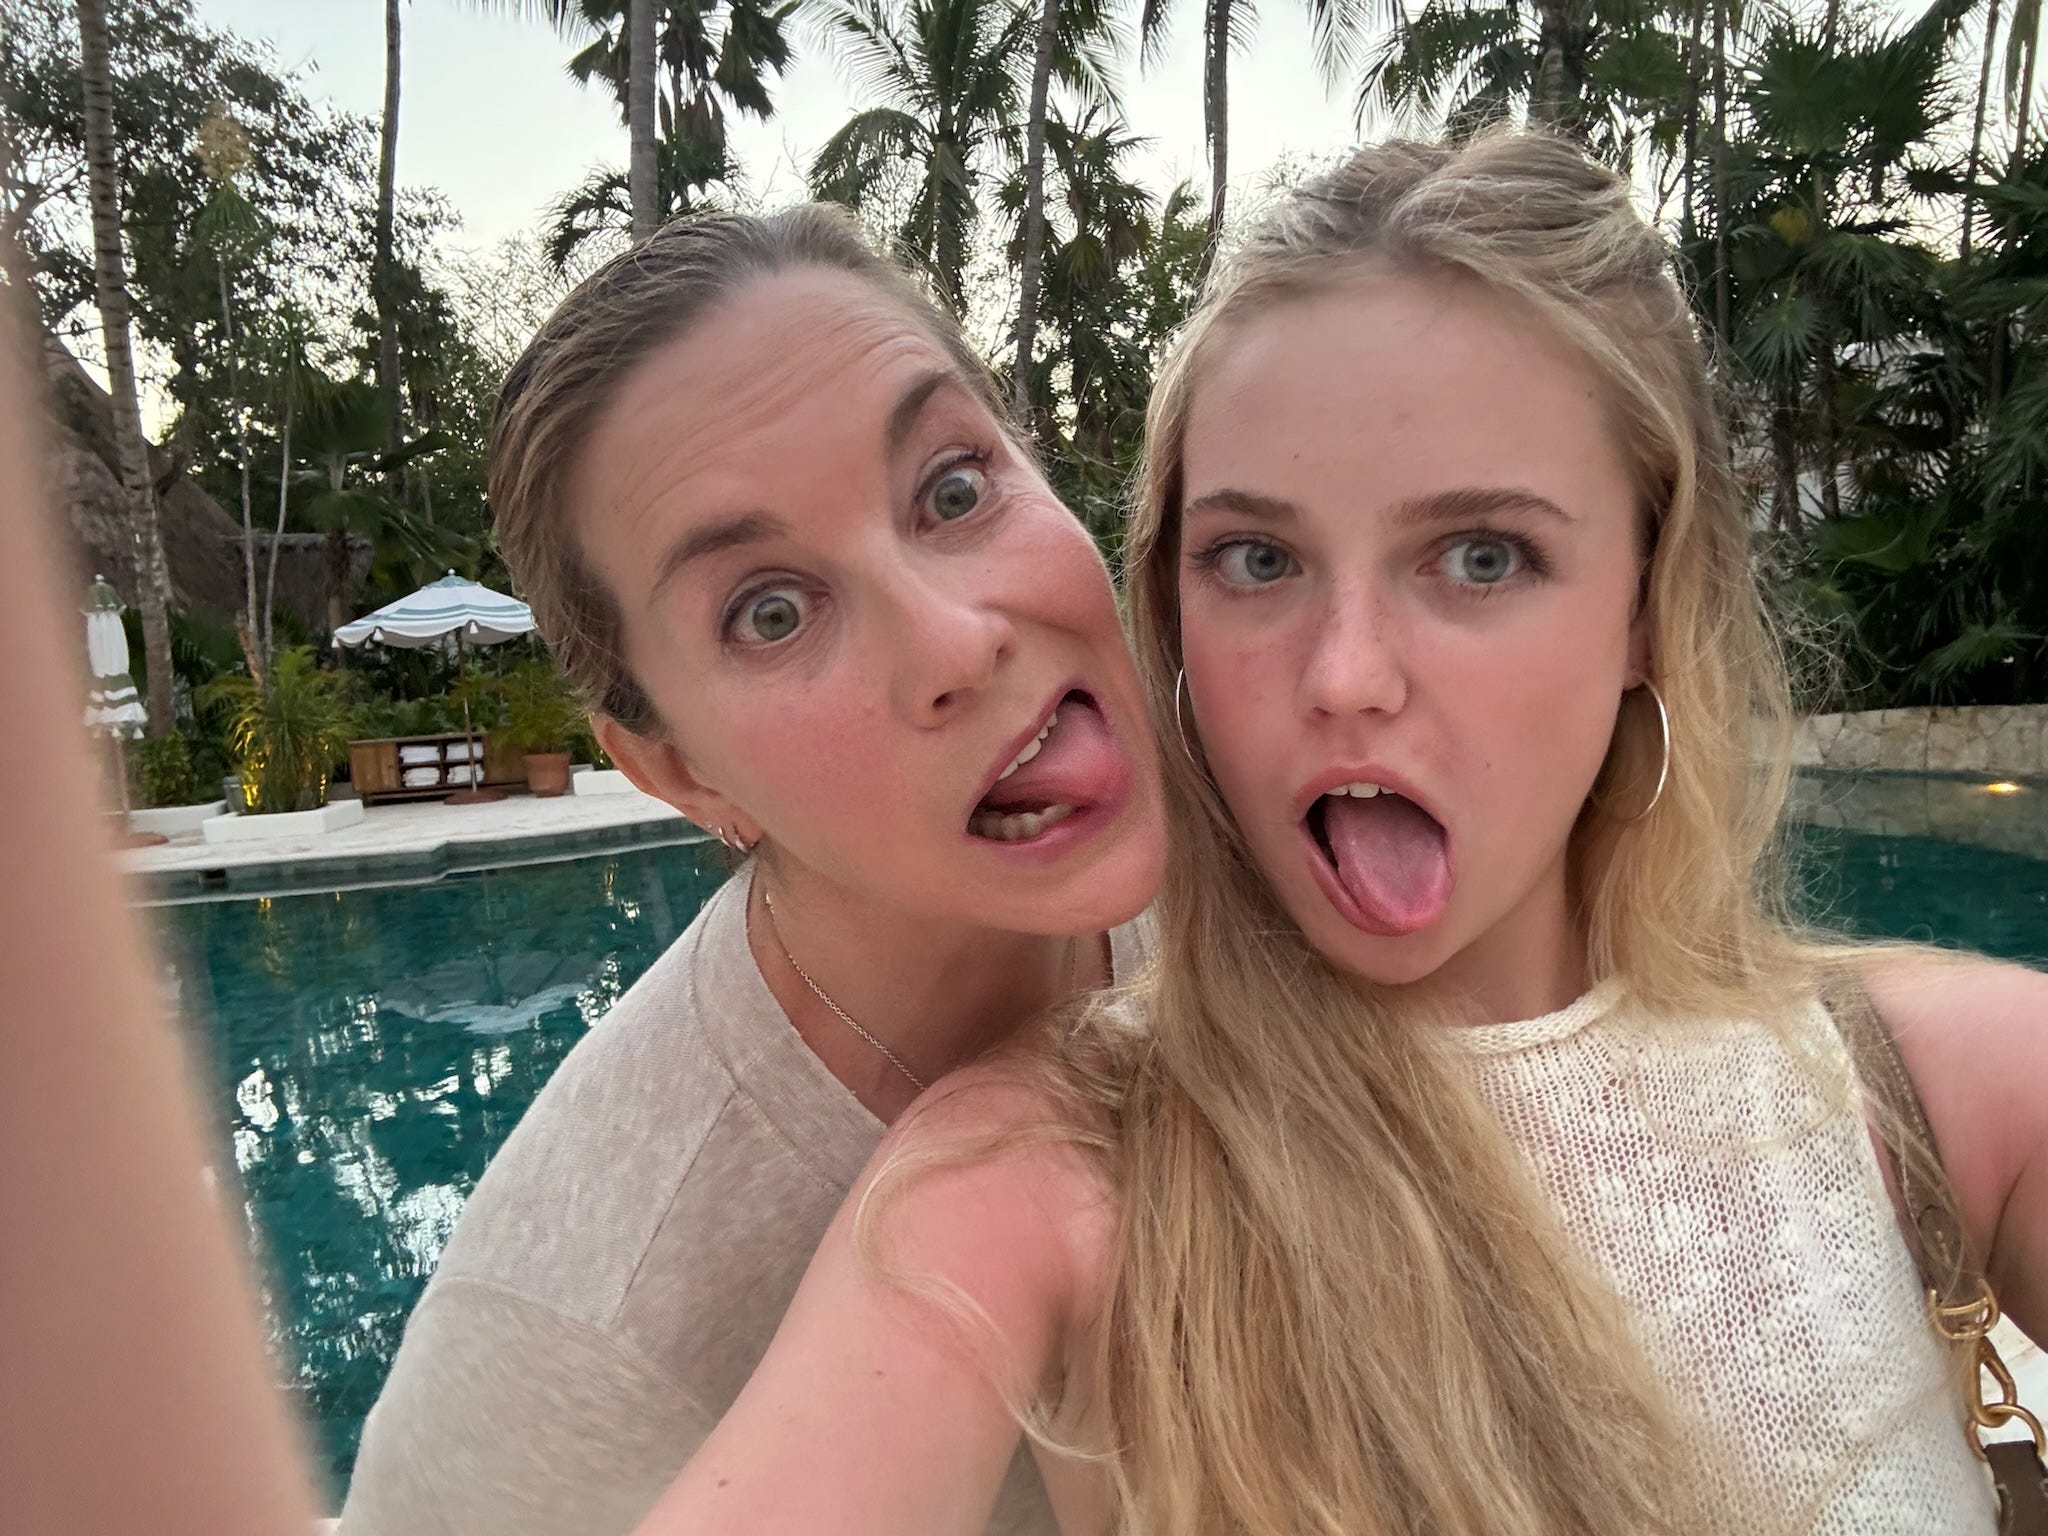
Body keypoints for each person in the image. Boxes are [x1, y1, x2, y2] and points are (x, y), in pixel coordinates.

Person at [632, 134, 2046, 1536]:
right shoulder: (1043, 1176)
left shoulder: (1943, 1089)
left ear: (1643, 608)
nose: (1346, 673)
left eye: (1481, 557)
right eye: (1257, 561)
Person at [338, 206, 1165, 1536]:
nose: (956, 641)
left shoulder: (1281, 856)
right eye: (769, 613)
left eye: (955, 490)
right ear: (680, 772)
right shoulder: (581, 1334)